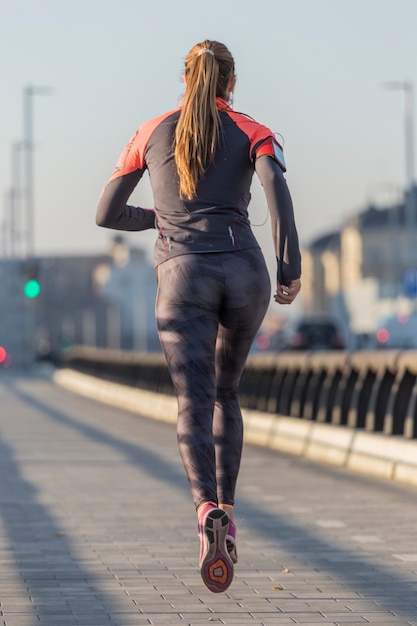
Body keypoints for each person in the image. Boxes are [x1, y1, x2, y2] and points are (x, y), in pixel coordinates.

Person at [96, 39, 301, 593]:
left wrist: (161, 220)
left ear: (186, 80)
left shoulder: (150, 130)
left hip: (181, 274)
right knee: (225, 395)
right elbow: (275, 189)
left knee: (192, 398)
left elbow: (106, 213)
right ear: (230, 82)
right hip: (243, 271)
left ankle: (204, 509)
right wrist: (289, 266)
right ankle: (228, 514)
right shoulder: (254, 130)